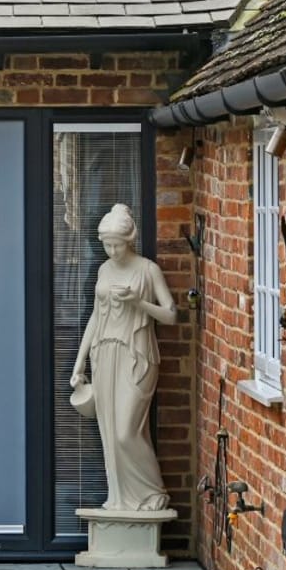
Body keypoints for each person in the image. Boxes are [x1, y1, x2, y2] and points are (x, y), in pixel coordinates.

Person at [68, 203, 177, 512]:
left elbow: (171, 315)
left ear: (130, 240)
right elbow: (95, 317)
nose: (112, 251)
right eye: (107, 245)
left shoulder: (147, 270)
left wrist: (138, 302)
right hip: (104, 354)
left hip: (137, 355)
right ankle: (121, 499)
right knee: (109, 433)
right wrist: (79, 362)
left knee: (126, 432)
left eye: (117, 245)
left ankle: (154, 493)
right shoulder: (104, 269)